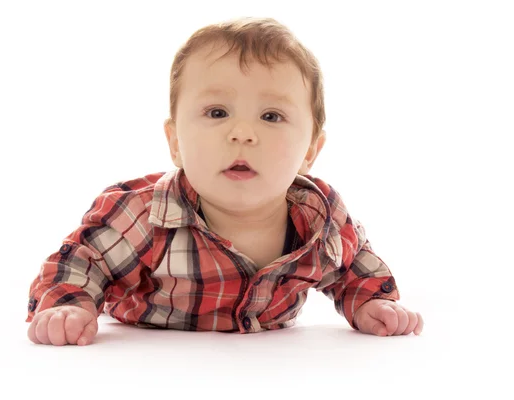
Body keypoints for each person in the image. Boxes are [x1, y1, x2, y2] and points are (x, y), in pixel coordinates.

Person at [26, 17, 424, 346]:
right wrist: (69, 306)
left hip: (276, 371)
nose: (242, 133)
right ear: (175, 142)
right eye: (217, 112)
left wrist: (372, 304)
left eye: (271, 117)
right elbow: (82, 259)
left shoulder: (319, 218)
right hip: (154, 364)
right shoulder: (143, 213)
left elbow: (354, 268)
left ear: (310, 152)